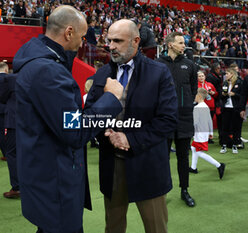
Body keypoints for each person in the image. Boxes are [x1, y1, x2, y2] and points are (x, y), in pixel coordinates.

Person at [13, 5, 124, 233]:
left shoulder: (40, 62)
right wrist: (111, 99)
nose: (82, 43)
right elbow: (74, 131)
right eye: (82, 37)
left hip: (45, 176)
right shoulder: (48, 70)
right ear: (69, 32)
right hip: (55, 182)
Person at [85, 19, 178, 233]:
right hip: (111, 164)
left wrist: (131, 139)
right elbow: (89, 113)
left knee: (156, 228)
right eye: (109, 40)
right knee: (113, 228)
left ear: (136, 41)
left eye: (117, 41)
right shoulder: (101, 74)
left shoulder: (159, 73)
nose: (111, 46)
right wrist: (104, 131)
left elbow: (168, 119)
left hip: (148, 164)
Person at [157, 31, 198, 207]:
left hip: (184, 118)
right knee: (162, 157)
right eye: (180, 42)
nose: (184, 45)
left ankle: (184, 190)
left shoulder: (190, 65)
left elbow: (194, 89)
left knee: (183, 157)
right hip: (163, 119)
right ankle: (161, 191)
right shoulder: (157, 64)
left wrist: (186, 104)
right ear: (170, 44)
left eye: (184, 43)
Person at [190, 88, 226, 179]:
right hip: (204, 132)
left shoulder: (197, 107)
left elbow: (195, 122)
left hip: (199, 133)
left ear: (199, 96)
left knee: (199, 152)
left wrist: (191, 132)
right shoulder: (205, 106)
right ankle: (193, 168)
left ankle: (219, 165)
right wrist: (210, 132)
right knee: (194, 148)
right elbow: (209, 120)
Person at [0, 73, 19, 198]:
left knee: (11, 153)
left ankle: (17, 187)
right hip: (32, 122)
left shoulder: (11, 79)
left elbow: (2, 98)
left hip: (15, 122)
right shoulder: (36, 75)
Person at [219, 68, 243, 154]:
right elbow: (221, 96)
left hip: (235, 108)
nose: (226, 75)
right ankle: (224, 145)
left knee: (235, 127)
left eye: (227, 73)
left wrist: (234, 94)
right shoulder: (225, 83)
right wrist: (223, 94)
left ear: (232, 74)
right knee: (225, 127)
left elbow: (242, 95)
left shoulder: (239, 82)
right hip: (226, 108)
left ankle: (235, 145)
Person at [197, 70, 218, 144]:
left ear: (205, 77)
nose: (201, 77)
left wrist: (213, 93)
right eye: (199, 76)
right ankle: (201, 138)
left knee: (209, 123)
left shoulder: (210, 84)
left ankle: (209, 138)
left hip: (210, 106)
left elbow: (216, 94)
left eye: (202, 76)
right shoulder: (196, 85)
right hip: (201, 107)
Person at [206, 63, 223, 144]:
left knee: (212, 119)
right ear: (215, 69)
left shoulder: (215, 76)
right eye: (219, 68)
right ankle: (207, 137)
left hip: (216, 99)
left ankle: (210, 137)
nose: (220, 70)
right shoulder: (210, 76)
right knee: (208, 120)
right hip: (212, 100)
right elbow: (209, 89)